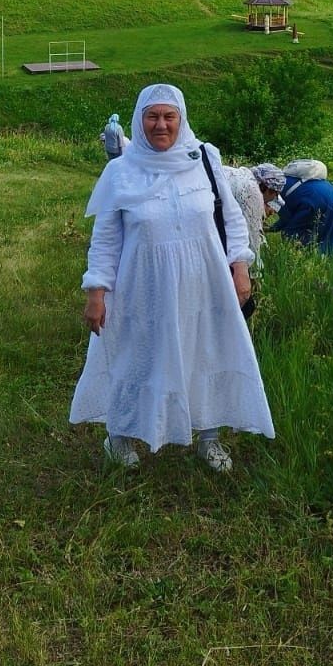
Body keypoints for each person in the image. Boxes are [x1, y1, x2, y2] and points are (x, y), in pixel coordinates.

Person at [70, 82, 275, 473]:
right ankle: (121, 436)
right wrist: (96, 291)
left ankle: (209, 438)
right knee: (136, 356)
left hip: (205, 285)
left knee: (209, 352)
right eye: (152, 117)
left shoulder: (205, 159)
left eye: (169, 116)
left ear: (181, 119)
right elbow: (106, 237)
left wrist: (241, 267)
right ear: (139, 119)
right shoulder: (121, 172)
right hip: (142, 288)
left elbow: (231, 218)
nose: (160, 125)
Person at [273, 159, 333, 254]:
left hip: (312, 198)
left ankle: (297, 260)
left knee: (290, 234)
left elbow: (286, 217)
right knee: (329, 230)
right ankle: (332, 257)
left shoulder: (272, 189)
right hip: (331, 192)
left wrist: (273, 228)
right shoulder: (286, 180)